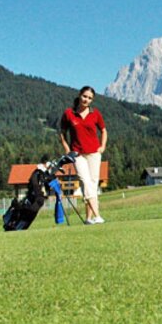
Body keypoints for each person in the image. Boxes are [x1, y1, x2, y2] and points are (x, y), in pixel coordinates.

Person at [59, 86, 108, 224]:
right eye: (85, 96)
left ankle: (88, 218)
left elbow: (104, 130)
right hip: (78, 154)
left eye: (90, 98)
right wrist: (66, 148)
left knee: (92, 184)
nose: (86, 99)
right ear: (80, 95)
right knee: (85, 182)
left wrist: (102, 146)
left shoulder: (95, 114)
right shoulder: (69, 113)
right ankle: (97, 215)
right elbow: (62, 132)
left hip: (94, 153)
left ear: (92, 100)